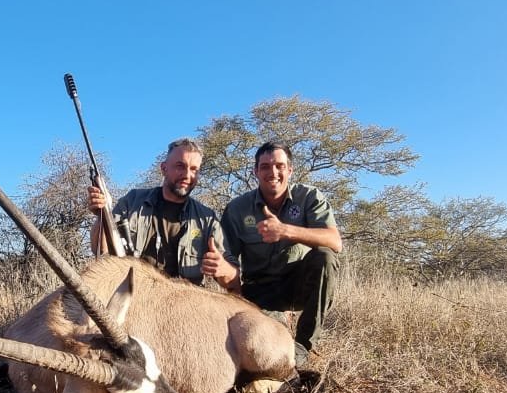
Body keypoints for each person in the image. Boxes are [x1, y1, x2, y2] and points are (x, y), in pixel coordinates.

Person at [220, 141, 342, 367]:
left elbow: (335, 241)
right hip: (258, 290)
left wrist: (285, 231)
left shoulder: (309, 197)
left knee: (326, 257)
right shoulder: (237, 209)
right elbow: (228, 258)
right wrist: (229, 281)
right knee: (269, 345)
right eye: (265, 167)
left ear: (290, 169)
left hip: (298, 284)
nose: (273, 172)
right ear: (255, 171)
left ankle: (305, 346)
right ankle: (281, 329)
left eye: (279, 166)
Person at [89, 137, 237, 287]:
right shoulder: (132, 201)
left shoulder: (207, 219)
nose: (187, 175)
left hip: (186, 303)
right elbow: (101, 252)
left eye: (194, 169)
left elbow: (233, 283)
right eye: (180, 166)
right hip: (135, 295)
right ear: (164, 169)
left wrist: (225, 269)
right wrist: (102, 213)